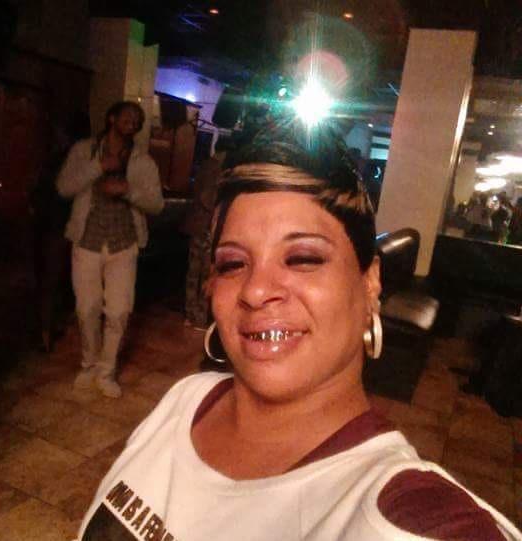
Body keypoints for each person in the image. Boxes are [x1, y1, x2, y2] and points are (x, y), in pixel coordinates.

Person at [75, 117, 522, 540]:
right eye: (233, 264)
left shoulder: (405, 515)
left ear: (370, 282)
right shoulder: (185, 399)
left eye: (303, 258)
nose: (256, 290)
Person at [57, 101, 163, 398]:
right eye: (128, 115)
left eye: (138, 119)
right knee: (86, 309)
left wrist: (128, 191)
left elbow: (156, 204)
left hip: (124, 244)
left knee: (118, 312)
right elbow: (63, 187)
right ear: (111, 118)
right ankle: (89, 365)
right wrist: (99, 167)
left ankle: (106, 371)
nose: (134, 121)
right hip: (87, 241)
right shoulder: (84, 150)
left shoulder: (143, 161)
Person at [31, 111, 91, 352]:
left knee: (51, 280)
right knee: (62, 280)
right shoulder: (83, 159)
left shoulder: (60, 159)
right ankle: (50, 328)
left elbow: (43, 192)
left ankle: (45, 331)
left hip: (56, 225)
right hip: (68, 226)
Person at [181, 137, 231, 329]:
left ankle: (190, 314)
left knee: (193, 273)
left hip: (196, 226)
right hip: (205, 228)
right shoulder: (216, 169)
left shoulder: (205, 165)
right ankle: (199, 317)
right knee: (204, 273)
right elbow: (206, 197)